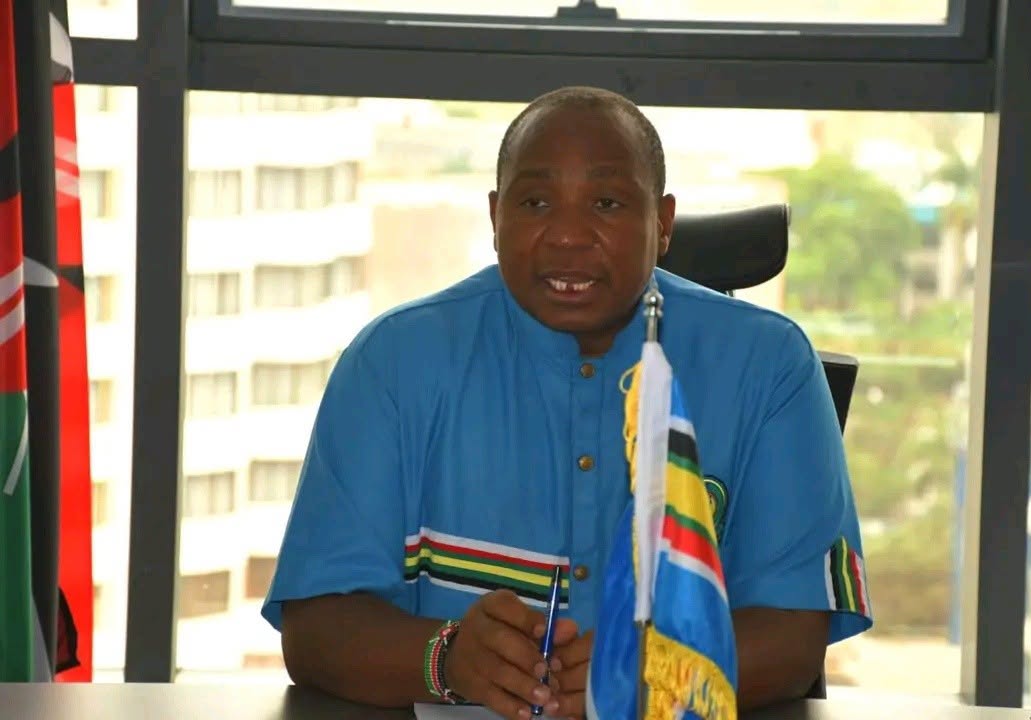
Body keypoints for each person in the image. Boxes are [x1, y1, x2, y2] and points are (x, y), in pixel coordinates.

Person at [262, 86, 873, 720]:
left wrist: (648, 676)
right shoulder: (392, 362)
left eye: (607, 203)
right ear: (495, 217)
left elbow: (796, 635)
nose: (568, 237)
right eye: (535, 202)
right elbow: (315, 629)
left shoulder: (770, 365)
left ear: (662, 222)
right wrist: (447, 659)